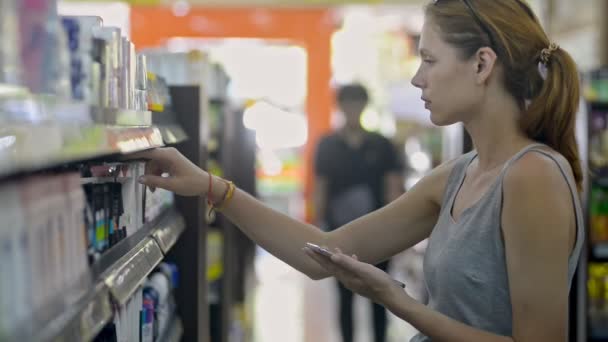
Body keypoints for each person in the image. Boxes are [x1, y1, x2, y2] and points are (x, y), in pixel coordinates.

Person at [131, 0, 585, 340]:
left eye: (429, 60)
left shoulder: (533, 177)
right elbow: (323, 253)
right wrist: (212, 187)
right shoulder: (456, 176)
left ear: (482, 64)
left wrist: (399, 303)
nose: (417, 79)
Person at [314, 83, 403, 342]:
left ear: (365, 106)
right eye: (348, 103)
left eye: (357, 103)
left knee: (380, 294)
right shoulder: (327, 145)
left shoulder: (382, 144)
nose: (353, 109)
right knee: (344, 295)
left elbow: (393, 189)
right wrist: (320, 229)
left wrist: (398, 232)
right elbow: (321, 187)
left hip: (378, 234)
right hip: (340, 233)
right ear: (340, 107)